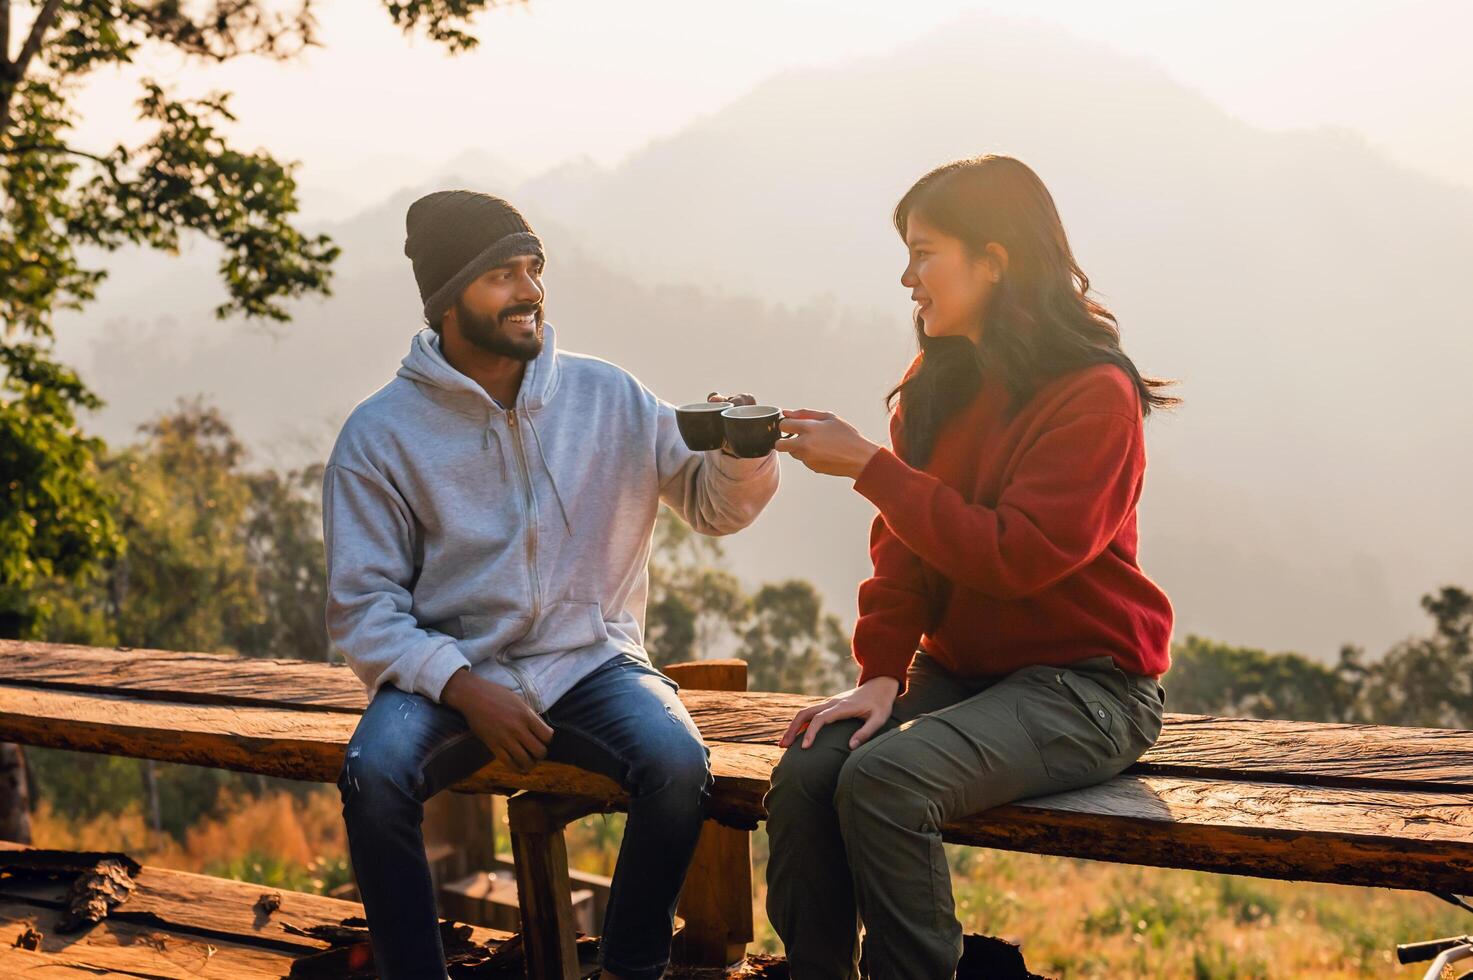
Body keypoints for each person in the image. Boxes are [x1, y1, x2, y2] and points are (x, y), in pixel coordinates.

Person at [321, 190, 780, 980]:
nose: (530, 291)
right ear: (446, 298)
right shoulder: (381, 433)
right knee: (373, 777)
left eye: (533, 269)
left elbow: (710, 507)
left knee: (678, 769)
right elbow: (363, 611)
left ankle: (629, 969)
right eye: (501, 275)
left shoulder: (609, 397)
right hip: (450, 672)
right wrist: (463, 687)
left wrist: (743, 453)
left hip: (592, 661)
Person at [764, 155, 1176, 979]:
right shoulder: (937, 379)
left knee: (884, 780)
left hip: (1088, 689)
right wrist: (879, 674)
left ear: (995, 259)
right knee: (811, 769)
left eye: (925, 252)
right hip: (966, 673)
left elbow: (1013, 557)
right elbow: (906, 546)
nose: (907, 276)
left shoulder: (1094, 393)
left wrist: (869, 468)